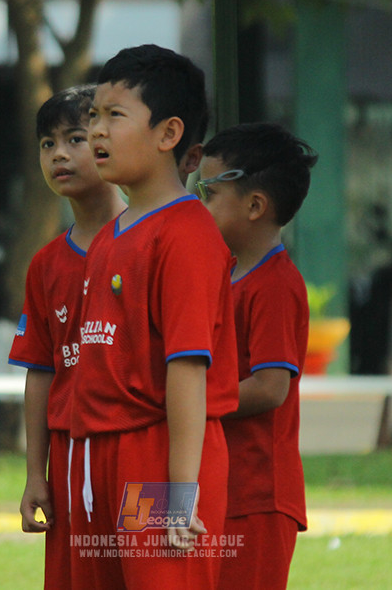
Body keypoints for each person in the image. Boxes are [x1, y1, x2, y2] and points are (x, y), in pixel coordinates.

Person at [66, 44, 238, 589]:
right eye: (93, 115)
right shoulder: (109, 236)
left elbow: (187, 368)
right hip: (99, 454)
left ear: (168, 134)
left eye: (115, 115)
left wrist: (181, 493)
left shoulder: (186, 234)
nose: (96, 130)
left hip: (158, 457)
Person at [10, 85, 127, 588]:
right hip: (69, 460)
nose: (59, 154)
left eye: (74, 139)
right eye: (47, 144)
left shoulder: (151, 239)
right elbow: (41, 373)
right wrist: (35, 474)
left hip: (139, 451)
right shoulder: (45, 264)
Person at [196, 123, 317, 589]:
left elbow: (270, 388)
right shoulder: (220, 274)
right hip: (219, 487)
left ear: (254, 206)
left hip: (257, 495)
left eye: (209, 193)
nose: (199, 206)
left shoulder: (275, 285)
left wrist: (189, 403)